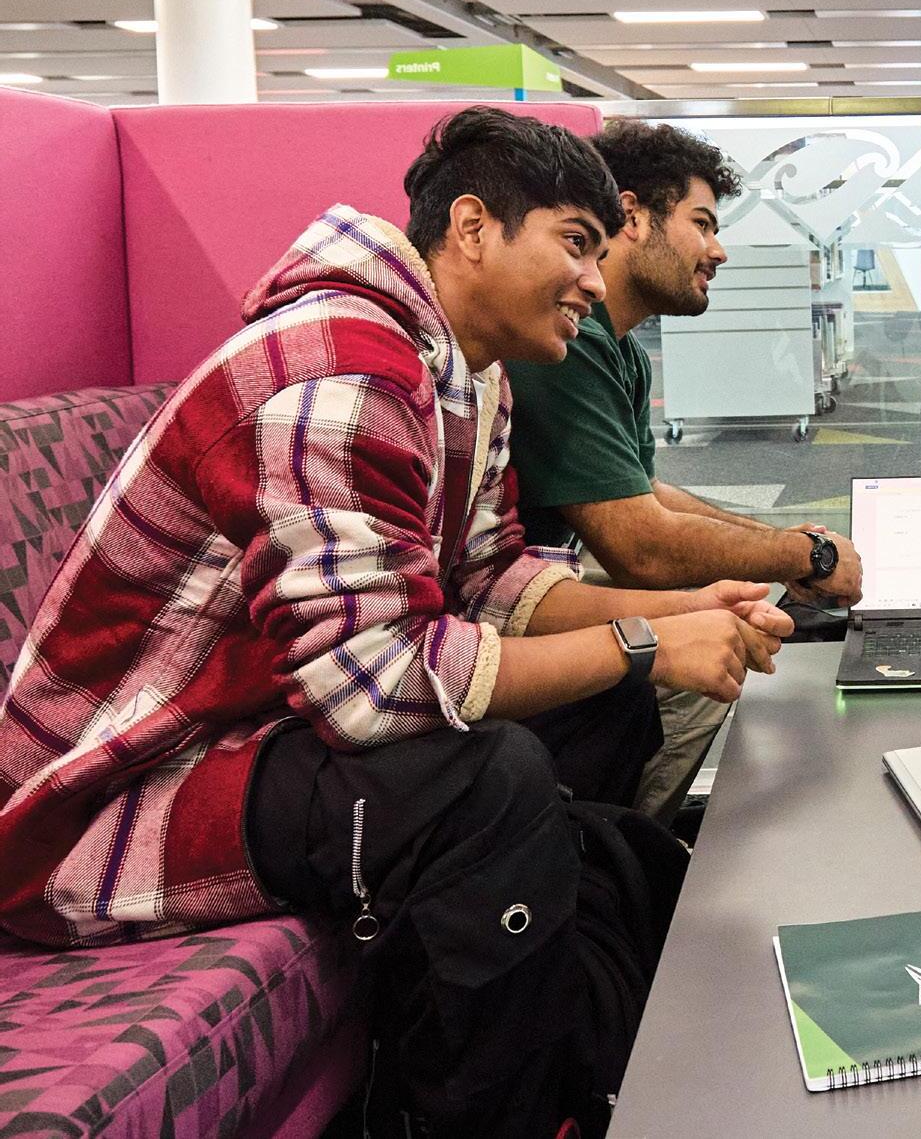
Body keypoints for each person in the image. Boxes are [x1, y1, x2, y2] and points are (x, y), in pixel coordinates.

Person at [0, 108, 792, 1138]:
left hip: (267, 725)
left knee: (611, 708)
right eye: (575, 243)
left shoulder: (470, 375)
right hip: (119, 789)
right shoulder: (338, 366)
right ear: (473, 227)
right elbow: (373, 687)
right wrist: (642, 641)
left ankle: (560, 1041)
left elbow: (494, 580)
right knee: (488, 780)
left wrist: (682, 611)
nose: (594, 283)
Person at [505, 117, 865, 821]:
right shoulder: (563, 344)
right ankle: (617, 848)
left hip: (544, 588)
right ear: (633, 215)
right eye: (702, 223)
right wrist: (802, 554)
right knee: (725, 632)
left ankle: (630, 841)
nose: (718, 249)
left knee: (737, 607)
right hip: (503, 619)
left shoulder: (619, 349)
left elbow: (642, 492)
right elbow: (640, 546)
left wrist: (786, 544)